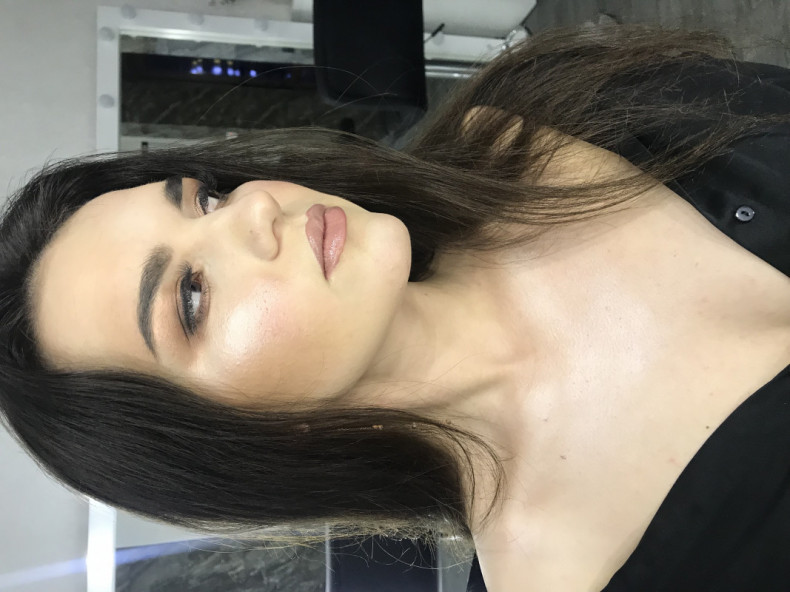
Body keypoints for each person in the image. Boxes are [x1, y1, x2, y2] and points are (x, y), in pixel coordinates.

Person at [2, 23, 790, 592]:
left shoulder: (536, 122)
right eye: (192, 295)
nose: (253, 210)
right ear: (222, 441)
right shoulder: (569, 575)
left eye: (204, 197)